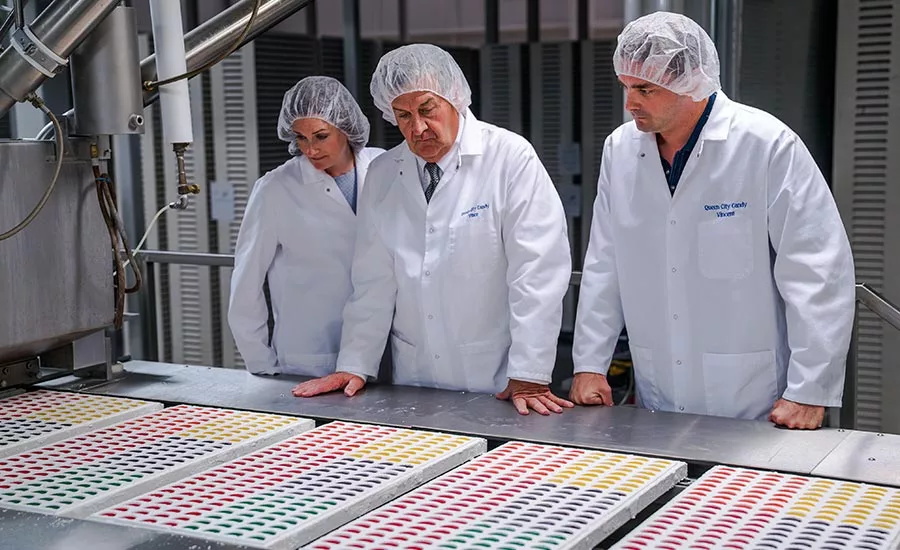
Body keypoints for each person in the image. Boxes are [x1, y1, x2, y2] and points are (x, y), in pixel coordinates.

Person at [571, 12, 855, 429]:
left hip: (754, 399)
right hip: (659, 393)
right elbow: (604, 264)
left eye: (645, 89)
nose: (630, 104)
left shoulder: (766, 145)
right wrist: (590, 363)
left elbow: (817, 269)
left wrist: (810, 390)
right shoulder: (620, 150)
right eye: (626, 87)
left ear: (689, 83)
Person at [292, 44, 574, 416]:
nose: (418, 127)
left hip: (498, 377)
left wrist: (529, 372)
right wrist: (354, 363)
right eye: (403, 115)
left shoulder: (509, 157)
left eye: (427, 109)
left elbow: (537, 271)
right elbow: (373, 281)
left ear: (454, 98)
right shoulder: (384, 173)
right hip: (416, 376)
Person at [228, 76, 384, 377]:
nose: (309, 149)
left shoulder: (383, 168)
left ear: (346, 127)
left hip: (380, 351)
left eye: (321, 136)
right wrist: (262, 365)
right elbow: (246, 285)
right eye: (300, 138)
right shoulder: (275, 189)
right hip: (311, 357)